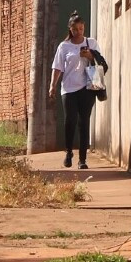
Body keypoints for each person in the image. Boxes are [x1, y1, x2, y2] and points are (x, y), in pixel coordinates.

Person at [48, 11, 108, 169]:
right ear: (70, 29)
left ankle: (82, 159)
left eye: (81, 29)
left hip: (88, 87)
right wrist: (52, 86)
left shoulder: (91, 43)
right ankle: (68, 152)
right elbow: (58, 67)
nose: (78, 32)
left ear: (84, 28)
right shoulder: (64, 46)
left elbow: (101, 63)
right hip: (68, 89)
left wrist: (90, 56)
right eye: (75, 29)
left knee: (84, 121)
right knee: (70, 121)